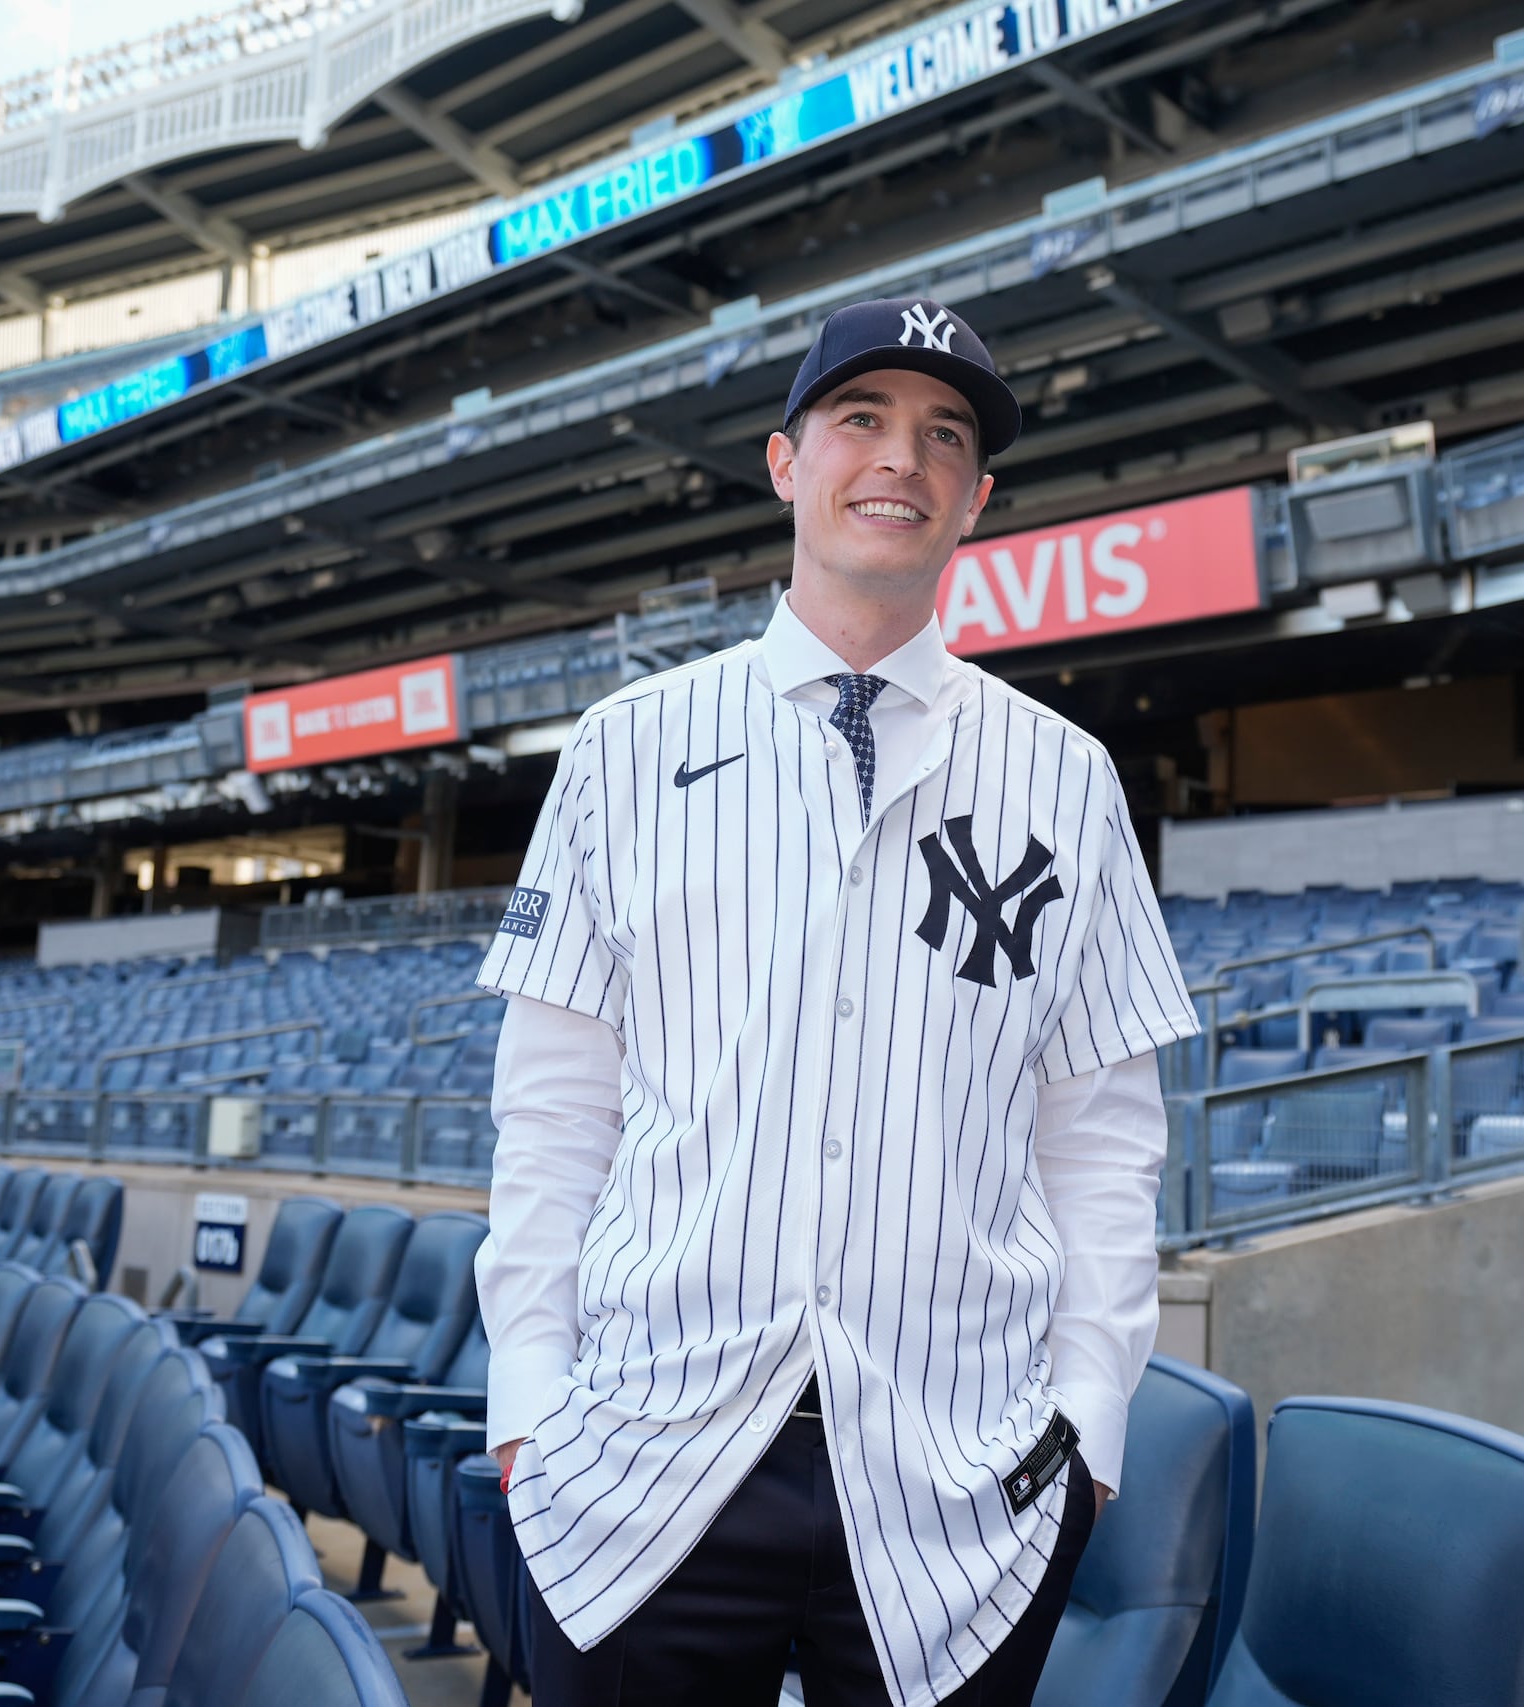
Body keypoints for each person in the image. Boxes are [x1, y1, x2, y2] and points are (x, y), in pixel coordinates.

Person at [471, 295, 1198, 1707]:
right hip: (644, 1458)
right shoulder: (628, 748)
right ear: (785, 461)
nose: (900, 460)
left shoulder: (1067, 777)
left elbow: (1102, 1140)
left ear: (977, 499)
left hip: (958, 1481)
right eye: (860, 419)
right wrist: (531, 1406)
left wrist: (1091, 1423)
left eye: (943, 436)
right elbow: (554, 1114)